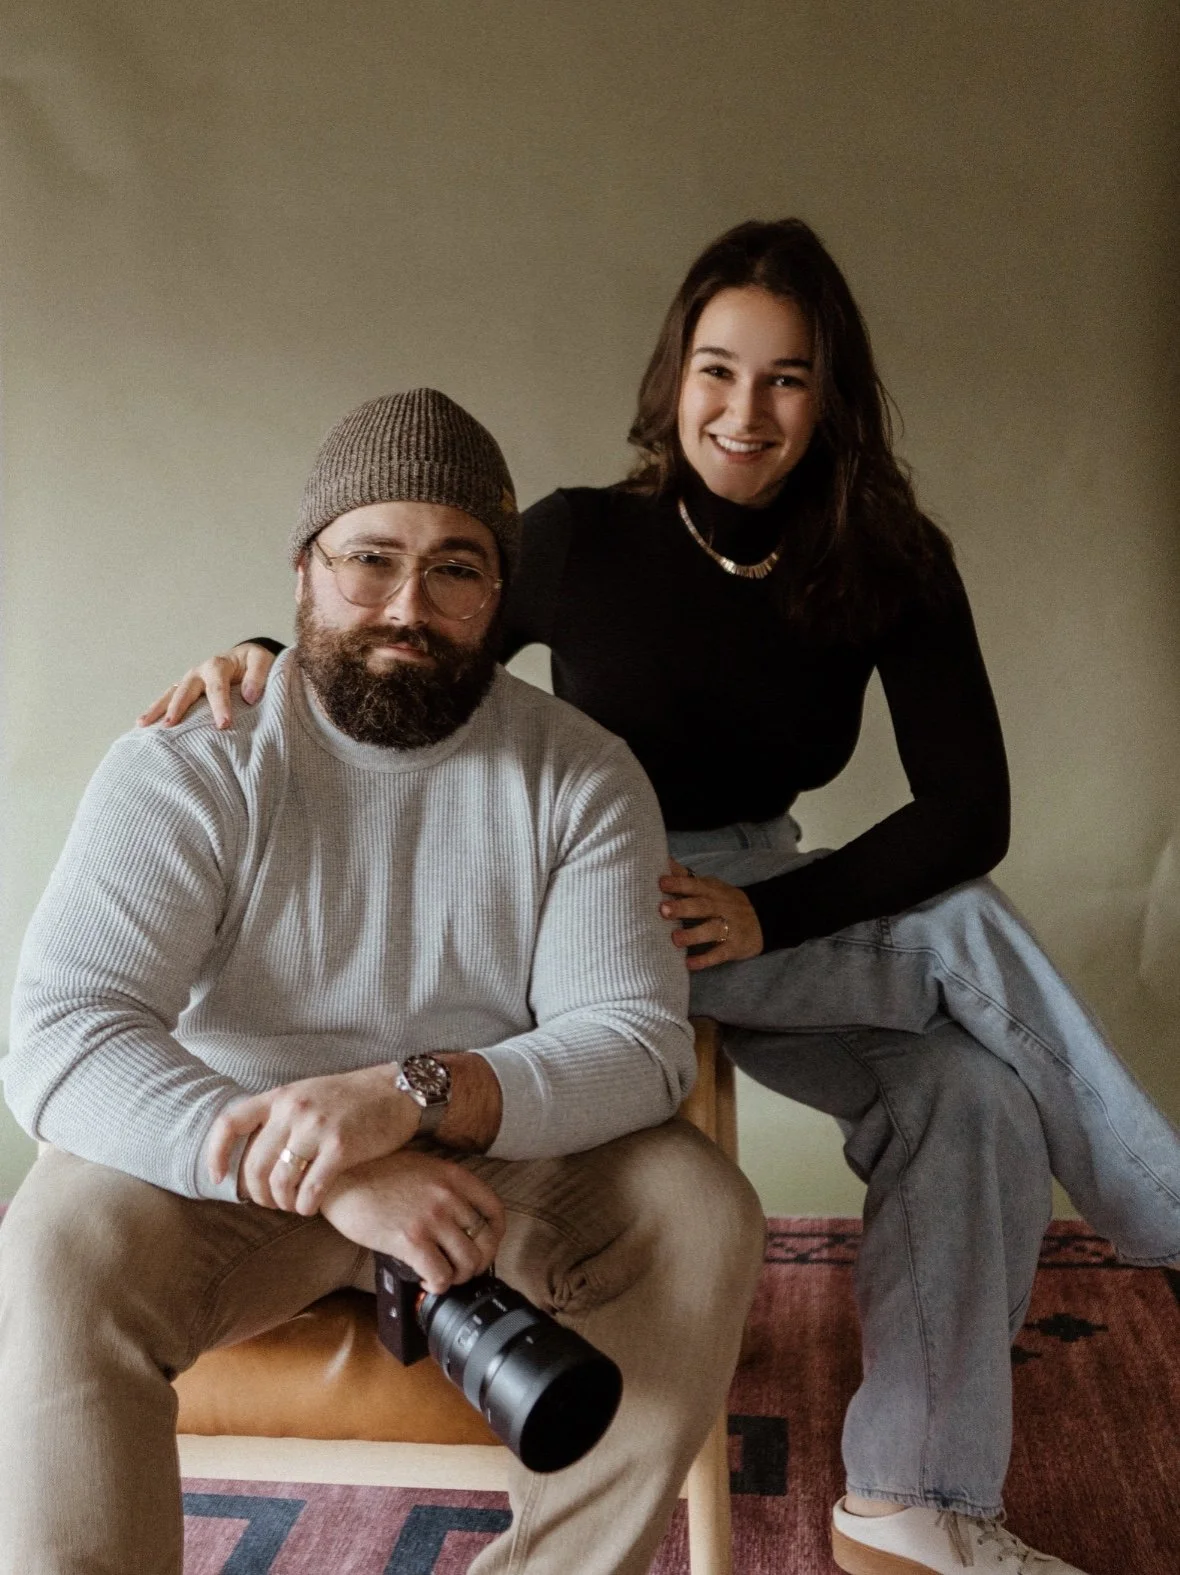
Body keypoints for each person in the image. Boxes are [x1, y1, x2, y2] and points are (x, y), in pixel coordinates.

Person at [142, 221, 1180, 1575]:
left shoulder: (891, 558)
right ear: (671, 378)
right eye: (717, 369)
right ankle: (1163, 1216)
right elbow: (411, 643)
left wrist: (771, 913)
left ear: (832, 395)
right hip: (582, 890)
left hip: (764, 904)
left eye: (786, 377)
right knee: (961, 928)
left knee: (965, 1093)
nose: (745, 410)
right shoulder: (579, 538)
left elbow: (966, 808)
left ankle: (910, 1500)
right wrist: (266, 650)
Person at [0, 388, 766, 1575]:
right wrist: (334, 1175)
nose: (409, 607)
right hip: (239, 1158)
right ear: (304, 570)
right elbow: (62, 1032)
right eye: (371, 559)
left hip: (503, 1150)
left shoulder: (581, 773)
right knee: (58, 1244)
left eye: (455, 569)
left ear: (496, 595)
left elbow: (632, 1041)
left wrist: (412, 1098)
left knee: (698, 1210)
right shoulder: (192, 756)